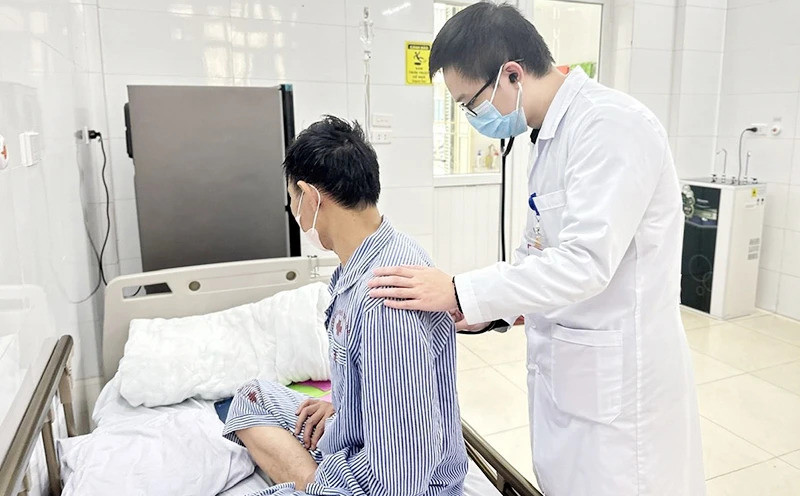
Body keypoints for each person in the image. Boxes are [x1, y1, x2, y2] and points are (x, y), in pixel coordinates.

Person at [367, 3, 705, 495]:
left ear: (512, 73)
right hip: (574, 379)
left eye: (470, 103)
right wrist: (488, 311)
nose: (472, 118)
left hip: (621, 393)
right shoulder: (546, 136)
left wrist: (460, 290)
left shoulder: (611, 126)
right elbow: (539, 252)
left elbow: (586, 263)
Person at [222, 115, 468, 496]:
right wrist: (342, 406)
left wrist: (329, 481)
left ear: (310, 196)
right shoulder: (385, 251)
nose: (293, 210)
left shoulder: (383, 301)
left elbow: (401, 479)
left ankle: (311, 483)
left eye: (292, 199)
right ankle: (313, 475)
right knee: (251, 397)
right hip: (358, 437)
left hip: (392, 483)